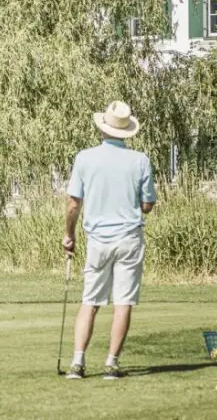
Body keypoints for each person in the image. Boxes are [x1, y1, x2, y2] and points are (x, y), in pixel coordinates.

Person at [62, 101, 157, 380]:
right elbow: (148, 204)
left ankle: (78, 363)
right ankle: (111, 364)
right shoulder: (140, 160)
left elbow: (73, 204)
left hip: (97, 240)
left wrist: (69, 235)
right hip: (129, 238)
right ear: (127, 131)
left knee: (90, 300)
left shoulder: (85, 158)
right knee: (123, 302)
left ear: (103, 128)